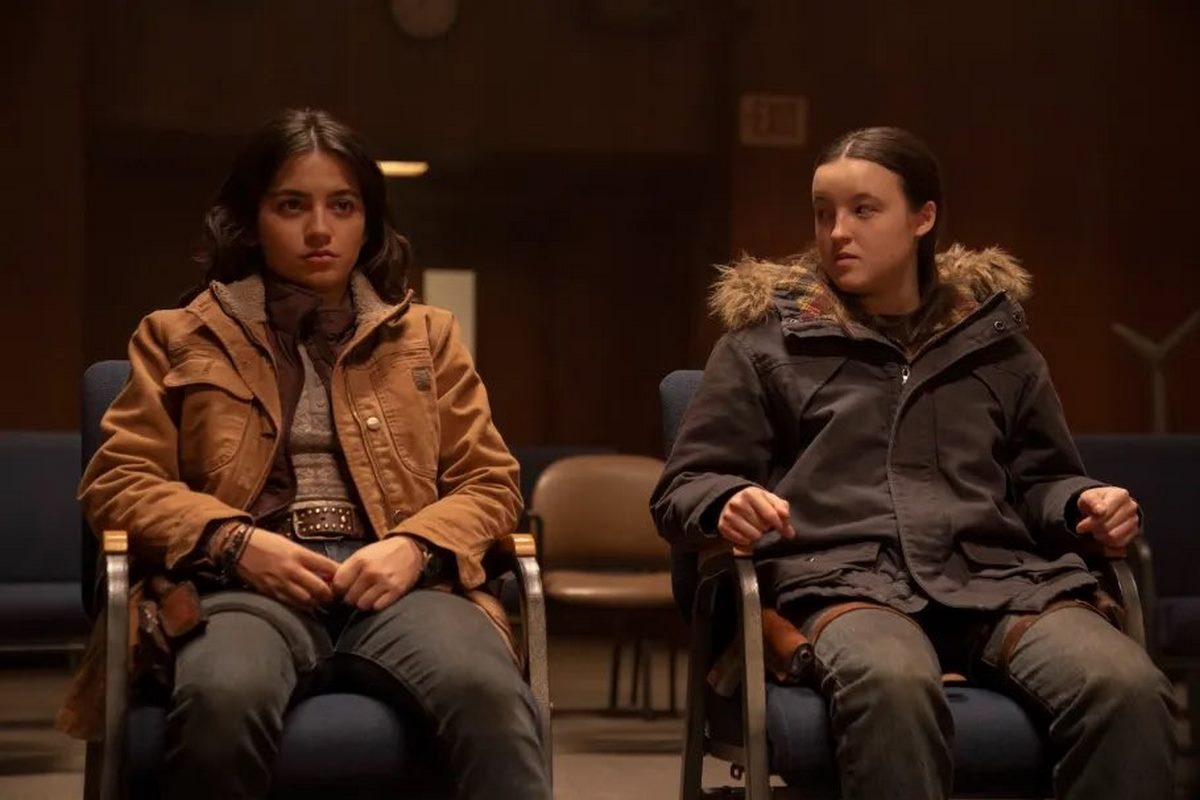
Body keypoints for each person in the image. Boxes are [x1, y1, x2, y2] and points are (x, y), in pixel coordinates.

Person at [651, 126, 1176, 799]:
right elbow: (685, 486)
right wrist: (726, 501)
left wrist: (1082, 504)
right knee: (891, 682)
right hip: (840, 582)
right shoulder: (765, 346)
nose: (837, 232)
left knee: (1126, 686)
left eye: (863, 210)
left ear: (923, 218)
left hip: (997, 580)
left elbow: (1042, 480)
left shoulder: (997, 346)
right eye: (823, 213)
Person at [60, 107, 551, 800]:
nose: (320, 229)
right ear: (251, 219)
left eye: (342, 206)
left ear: (368, 222)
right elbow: (119, 482)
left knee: (489, 694)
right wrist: (233, 542)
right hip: (243, 588)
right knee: (222, 697)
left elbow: (491, 482)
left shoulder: (429, 336)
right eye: (292, 205)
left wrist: (416, 546)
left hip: (400, 585)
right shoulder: (177, 335)